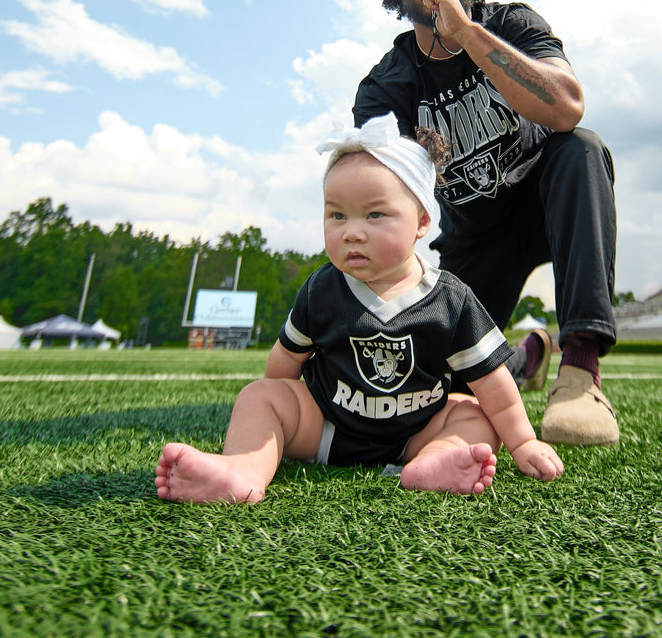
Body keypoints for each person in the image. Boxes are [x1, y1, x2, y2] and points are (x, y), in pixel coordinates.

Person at [155, 113, 564, 503]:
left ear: (421, 221)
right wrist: (275, 410)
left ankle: (433, 462)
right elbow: (285, 361)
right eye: (337, 215)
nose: (352, 232)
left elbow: (495, 384)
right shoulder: (322, 288)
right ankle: (242, 469)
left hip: (418, 431)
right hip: (327, 428)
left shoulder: (450, 299)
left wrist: (524, 441)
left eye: (375, 214)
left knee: (474, 412)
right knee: (260, 395)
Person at [353, 0, 619, 447]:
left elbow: (567, 108)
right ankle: (524, 359)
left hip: (546, 204)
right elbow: (385, 198)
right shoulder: (385, 86)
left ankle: (579, 370)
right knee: (440, 390)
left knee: (581, 151)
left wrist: (469, 35)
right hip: (474, 234)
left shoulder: (513, 24)